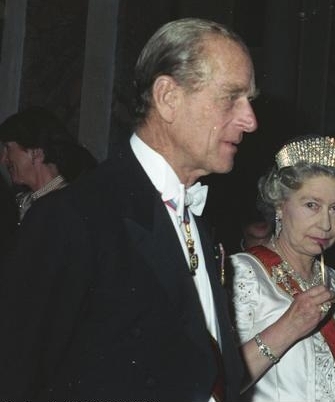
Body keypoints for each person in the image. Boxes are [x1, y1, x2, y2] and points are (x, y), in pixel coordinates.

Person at [0, 18, 257, 401]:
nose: (249, 120)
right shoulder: (72, 218)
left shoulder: (198, 222)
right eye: (231, 98)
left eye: (249, 101)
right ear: (168, 97)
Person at [230, 136, 335, 402]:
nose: (326, 224)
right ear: (280, 205)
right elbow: (218, 382)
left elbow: (331, 390)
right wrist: (288, 328)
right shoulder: (242, 272)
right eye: (312, 205)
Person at [0, 106, 97, 223]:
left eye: (8, 148)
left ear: (36, 153)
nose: (3, 159)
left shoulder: (66, 206)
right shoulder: (23, 202)